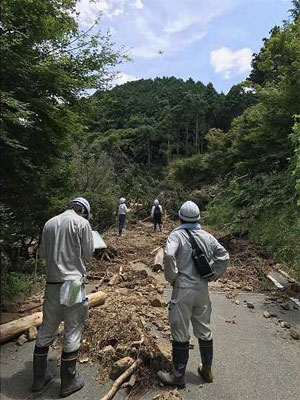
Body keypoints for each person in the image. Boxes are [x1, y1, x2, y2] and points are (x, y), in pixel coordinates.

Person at [157, 201, 229, 388]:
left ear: (180, 217)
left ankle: (178, 376)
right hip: (202, 289)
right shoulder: (207, 236)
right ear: (198, 218)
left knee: (180, 330)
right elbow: (224, 256)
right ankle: (207, 370)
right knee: (204, 329)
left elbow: (169, 255)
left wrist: (172, 277)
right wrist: (213, 274)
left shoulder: (176, 235)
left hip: (183, 290)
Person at [32, 197, 94, 397]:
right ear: (84, 211)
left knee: (47, 329)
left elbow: (42, 254)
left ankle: (39, 379)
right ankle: (68, 382)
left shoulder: (49, 223)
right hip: (73, 284)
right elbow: (88, 252)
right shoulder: (82, 223)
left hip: (52, 284)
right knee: (73, 330)